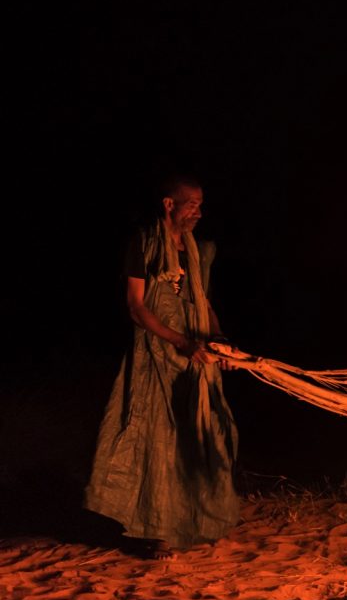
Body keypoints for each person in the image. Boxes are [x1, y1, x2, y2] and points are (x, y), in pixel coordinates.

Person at [84, 173, 239, 560]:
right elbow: (137, 307)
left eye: (201, 205)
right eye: (192, 204)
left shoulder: (194, 250)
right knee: (157, 440)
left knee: (198, 435)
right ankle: (158, 533)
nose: (199, 213)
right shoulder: (143, 242)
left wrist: (219, 340)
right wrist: (181, 342)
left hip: (196, 354)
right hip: (156, 353)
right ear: (169, 204)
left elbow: (202, 300)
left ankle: (195, 522)